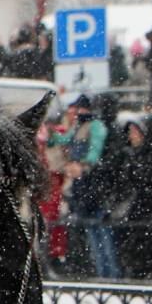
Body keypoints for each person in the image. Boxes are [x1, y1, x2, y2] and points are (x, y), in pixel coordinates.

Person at [50, 95, 116, 278]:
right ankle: (104, 273)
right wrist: (52, 135)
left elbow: (94, 152)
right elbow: (65, 140)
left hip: (92, 185)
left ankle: (109, 274)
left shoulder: (95, 127)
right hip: (84, 186)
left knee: (99, 233)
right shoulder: (80, 127)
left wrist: (82, 165)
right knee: (94, 233)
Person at [113, 116, 152, 279]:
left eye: (135, 132)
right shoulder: (129, 154)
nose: (131, 136)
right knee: (136, 256)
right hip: (135, 214)